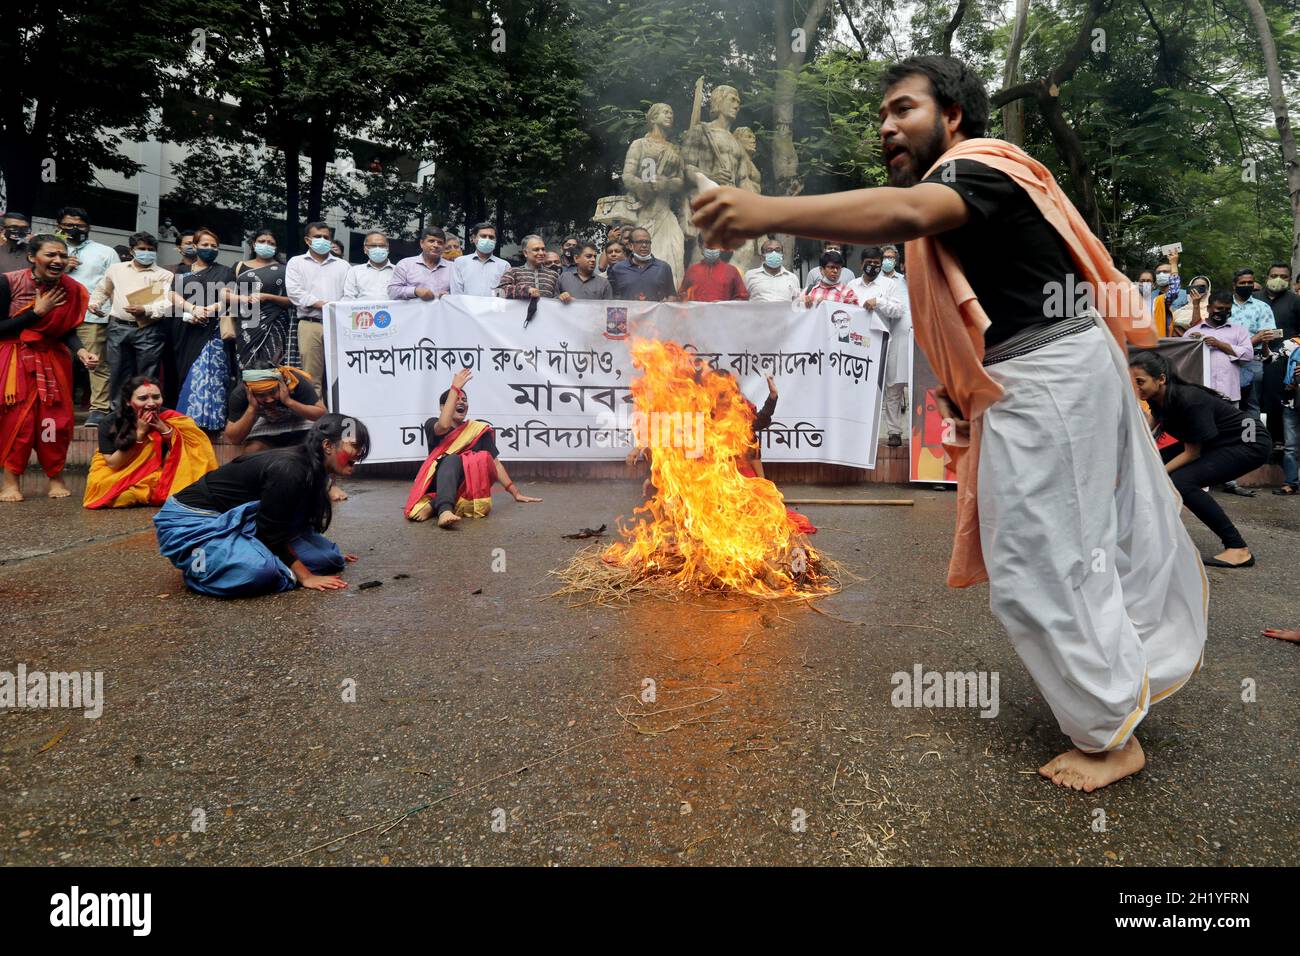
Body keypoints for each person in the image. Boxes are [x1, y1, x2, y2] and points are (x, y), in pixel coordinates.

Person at [691, 54, 1207, 792]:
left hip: (1050, 375)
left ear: (952, 116)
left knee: (1037, 560)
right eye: (881, 117)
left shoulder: (977, 168)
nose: (887, 127)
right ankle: (1121, 685)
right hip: (1046, 371)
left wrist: (766, 211)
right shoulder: (974, 180)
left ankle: (1109, 734)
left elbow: (903, 212)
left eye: (903, 109)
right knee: (1078, 543)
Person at [153, 413, 368, 596]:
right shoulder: (290, 470)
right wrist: (305, 577)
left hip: (246, 523)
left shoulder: (315, 469)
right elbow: (271, 532)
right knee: (259, 572)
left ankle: (250, 560)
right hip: (193, 520)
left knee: (328, 559)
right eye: (355, 446)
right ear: (328, 446)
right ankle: (202, 570)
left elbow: (286, 521)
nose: (359, 453)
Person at [1130, 350, 1269, 567]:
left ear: (1161, 379)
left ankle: (1237, 548)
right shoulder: (1157, 398)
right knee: (1150, 462)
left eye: (1140, 382)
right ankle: (1146, 537)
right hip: (1218, 440)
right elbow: (1147, 434)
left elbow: (1192, 452)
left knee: (1181, 482)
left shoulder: (1188, 400)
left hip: (1249, 442)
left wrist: (1158, 473)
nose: (1137, 388)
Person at [0, 235, 97, 501]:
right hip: (15, 359)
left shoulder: (71, 289)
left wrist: (81, 351)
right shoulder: (8, 282)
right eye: (51, 255)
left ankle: (55, 478)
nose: (58, 261)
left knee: (54, 422)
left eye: (62, 256)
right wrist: (36, 313)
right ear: (32, 257)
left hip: (53, 360)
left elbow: (65, 331)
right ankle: (10, 482)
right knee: (18, 421)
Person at [404, 368, 541, 526]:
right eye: (456, 399)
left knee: (482, 459)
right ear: (443, 407)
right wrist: (454, 388)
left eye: (465, 400)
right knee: (452, 459)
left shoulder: (477, 431)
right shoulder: (432, 424)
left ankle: (434, 505)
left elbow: (495, 464)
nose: (461, 402)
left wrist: (515, 493)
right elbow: (443, 425)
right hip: (437, 482)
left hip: (465, 488)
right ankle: (444, 510)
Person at [83, 375, 217, 509]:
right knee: (101, 486)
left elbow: (189, 454)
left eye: (156, 397)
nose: (151, 403)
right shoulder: (110, 423)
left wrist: (164, 430)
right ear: (128, 401)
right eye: (143, 398)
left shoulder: (173, 419)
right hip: (119, 469)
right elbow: (113, 464)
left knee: (179, 485)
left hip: (157, 472)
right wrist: (140, 433)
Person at [158, 227, 236, 429]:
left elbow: (229, 299)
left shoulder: (225, 271)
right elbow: (173, 297)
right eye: (205, 244)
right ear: (195, 247)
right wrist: (192, 311)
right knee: (186, 373)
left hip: (213, 331)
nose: (209, 248)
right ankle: (187, 421)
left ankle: (211, 420)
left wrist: (208, 310)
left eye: (214, 245)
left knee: (212, 373)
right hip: (185, 331)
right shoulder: (182, 273)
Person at [87, 231, 174, 410]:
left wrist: (145, 310)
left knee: (148, 374)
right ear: (132, 250)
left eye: (150, 249)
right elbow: (103, 290)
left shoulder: (163, 275)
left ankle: (146, 411)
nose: (146, 252)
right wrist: (95, 303)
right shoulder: (116, 269)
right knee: (118, 372)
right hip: (118, 327)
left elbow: (165, 303)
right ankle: (118, 412)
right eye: (141, 248)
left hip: (149, 329)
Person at [59, 207, 118, 426]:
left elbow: (113, 285)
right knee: (58, 361)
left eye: (80, 225)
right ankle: (59, 406)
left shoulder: (105, 252)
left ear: (89, 227)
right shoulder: (52, 249)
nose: (74, 229)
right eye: (69, 225)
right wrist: (62, 266)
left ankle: (98, 409)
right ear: (59, 226)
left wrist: (109, 312)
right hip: (55, 315)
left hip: (91, 317)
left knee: (96, 363)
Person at [848, 246, 910, 446]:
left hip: (884, 342)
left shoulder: (889, 285)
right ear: (861, 264)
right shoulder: (851, 285)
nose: (873, 266)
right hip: (858, 345)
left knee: (892, 388)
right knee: (862, 389)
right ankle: (861, 431)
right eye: (869, 263)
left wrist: (879, 302)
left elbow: (898, 311)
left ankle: (894, 432)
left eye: (877, 262)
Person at [285, 222, 348, 394]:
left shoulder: (343, 265)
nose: (322, 240)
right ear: (307, 240)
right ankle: (316, 419)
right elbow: (295, 293)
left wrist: (334, 308)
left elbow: (349, 294)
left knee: (340, 375)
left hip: (338, 325)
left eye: (326, 237)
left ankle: (338, 417)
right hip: (310, 324)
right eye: (317, 237)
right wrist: (324, 305)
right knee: (311, 377)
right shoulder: (296, 263)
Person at [224, 362, 327, 454]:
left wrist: (289, 402)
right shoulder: (240, 394)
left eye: (272, 392)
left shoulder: (293, 381)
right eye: (261, 395)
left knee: (315, 449)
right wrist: (252, 408)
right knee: (252, 451)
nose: (269, 399)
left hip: (300, 426)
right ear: (250, 392)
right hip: (266, 430)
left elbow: (322, 414)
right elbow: (234, 439)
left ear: (280, 384)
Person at [229, 230, 293, 369]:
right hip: (246, 325)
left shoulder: (285, 270)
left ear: (276, 248)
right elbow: (227, 296)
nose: (266, 245)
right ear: (253, 244)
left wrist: (267, 297)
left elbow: (292, 301)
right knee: (245, 367)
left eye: (271, 243)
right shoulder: (239, 266)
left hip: (275, 323)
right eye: (262, 241)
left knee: (271, 367)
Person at [1182, 291, 1254, 402]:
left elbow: (1248, 355)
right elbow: (1184, 361)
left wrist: (1219, 344)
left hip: (1228, 394)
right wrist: (1194, 343)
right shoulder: (1192, 332)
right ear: (1208, 308)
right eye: (1219, 308)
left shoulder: (1239, 331)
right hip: (1200, 394)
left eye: (1227, 309)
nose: (1223, 312)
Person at [1260, 260, 1300, 457]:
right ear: (1267, 277)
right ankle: (1253, 441)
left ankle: (1279, 442)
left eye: (1284, 277)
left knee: (1278, 401)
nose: (1278, 280)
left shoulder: (1295, 301)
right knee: (1253, 403)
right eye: (1274, 275)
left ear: (1290, 280)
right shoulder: (1255, 300)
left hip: (1284, 363)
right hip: (1253, 358)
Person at [608, 228, 676, 301]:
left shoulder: (663, 267)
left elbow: (671, 295)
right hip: (629, 312)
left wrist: (665, 307)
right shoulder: (618, 269)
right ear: (631, 246)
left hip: (655, 312)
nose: (644, 245)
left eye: (647, 242)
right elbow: (611, 298)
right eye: (640, 242)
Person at [389, 226, 452, 301]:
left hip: (442, 311)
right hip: (413, 312)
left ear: (444, 246)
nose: (436, 245)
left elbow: (460, 293)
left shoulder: (452, 268)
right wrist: (415, 291)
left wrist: (449, 296)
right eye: (431, 241)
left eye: (440, 243)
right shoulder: (405, 264)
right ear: (421, 243)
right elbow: (392, 292)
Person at [678, 237, 750, 302]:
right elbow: (682, 296)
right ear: (700, 247)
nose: (712, 250)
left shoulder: (731, 271)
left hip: (723, 316)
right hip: (698, 315)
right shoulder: (692, 271)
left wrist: (725, 306)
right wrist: (684, 298)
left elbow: (742, 298)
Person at [450, 223, 510, 296]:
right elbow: (456, 292)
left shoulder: (504, 266)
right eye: (483, 236)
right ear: (474, 238)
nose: (487, 240)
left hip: (493, 307)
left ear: (495, 241)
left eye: (491, 237)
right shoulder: (460, 262)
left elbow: (504, 293)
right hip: (465, 307)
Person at [496, 235, 560, 299]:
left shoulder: (554, 275)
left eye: (543, 249)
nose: (541, 253)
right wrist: (525, 291)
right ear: (525, 253)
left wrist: (562, 296)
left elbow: (558, 297)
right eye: (536, 250)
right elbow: (500, 291)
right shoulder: (513, 272)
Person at [342, 231, 395, 300]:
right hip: (362, 310)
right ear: (365, 249)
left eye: (382, 246)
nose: (377, 248)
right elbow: (349, 298)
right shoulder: (355, 271)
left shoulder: (398, 271)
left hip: (392, 310)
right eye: (373, 246)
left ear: (388, 249)